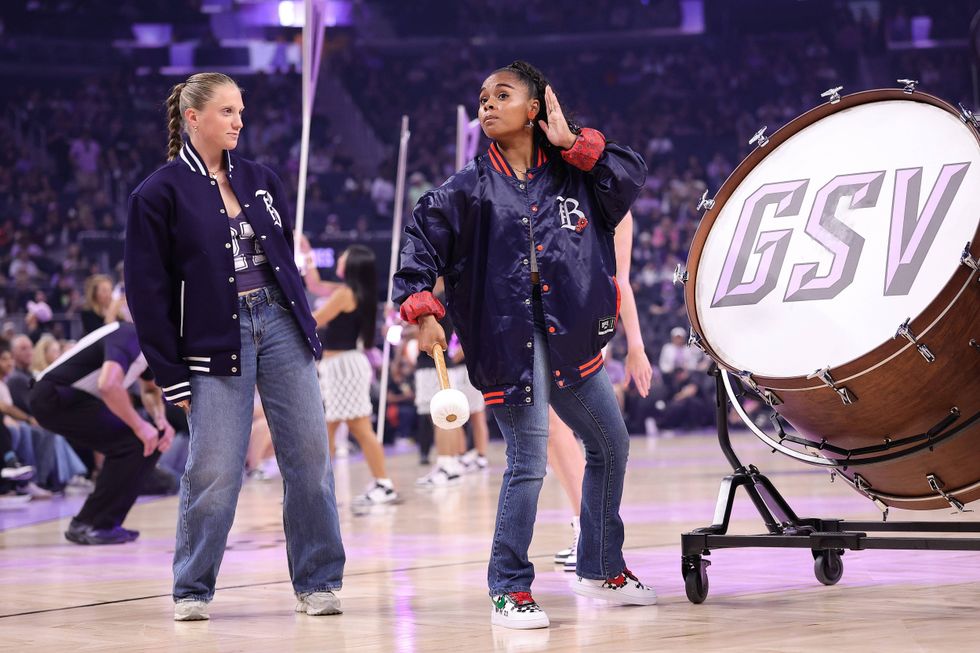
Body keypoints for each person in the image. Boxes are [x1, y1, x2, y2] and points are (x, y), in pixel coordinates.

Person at [393, 60, 656, 630]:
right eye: (483, 97)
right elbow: (416, 253)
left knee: (610, 445)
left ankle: (601, 567)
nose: (487, 105)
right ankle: (509, 586)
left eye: (502, 95)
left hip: (573, 334)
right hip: (507, 341)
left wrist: (573, 142)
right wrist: (423, 313)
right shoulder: (462, 190)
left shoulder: (577, 174)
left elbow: (629, 180)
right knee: (529, 461)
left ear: (535, 109)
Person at [124, 72, 345, 622]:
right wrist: (168, 372)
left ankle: (318, 580)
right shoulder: (158, 193)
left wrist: (306, 324)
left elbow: (284, 259)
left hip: (281, 325)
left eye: (240, 112)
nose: (238, 122)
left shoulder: (260, 178)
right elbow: (146, 293)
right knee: (215, 469)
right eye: (227, 112)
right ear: (193, 118)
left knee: (311, 458)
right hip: (214, 340)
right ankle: (192, 587)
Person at [549, 210, 654, 572]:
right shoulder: (546, 182)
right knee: (554, 432)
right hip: (547, 313)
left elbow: (619, 279)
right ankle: (584, 528)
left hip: (587, 322)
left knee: (562, 429)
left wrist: (636, 348)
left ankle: (586, 531)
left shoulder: (615, 203)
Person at [29, 322, 174, 539]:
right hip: (55, 395)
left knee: (143, 445)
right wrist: (140, 426)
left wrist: (160, 419)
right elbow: (108, 384)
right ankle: (93, 524)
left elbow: (151, 390)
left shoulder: (148, 347)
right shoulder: (130, 335)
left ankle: (95, 522)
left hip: (67, 398)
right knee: (134, 444)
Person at [307, 244, 400, 506]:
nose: (339, 258)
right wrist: (306, 254)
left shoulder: (345, 294)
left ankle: (379, 483)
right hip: (344, 366)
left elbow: (315, 320)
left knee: (351, 428)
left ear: (352, 265)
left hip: (343, 368)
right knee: (334, 428)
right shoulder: (352, 291)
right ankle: (319, 489)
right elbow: (314, 284)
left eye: (343, 257)